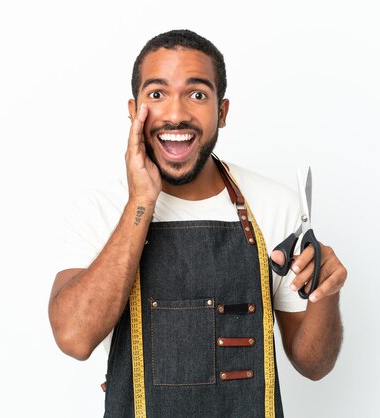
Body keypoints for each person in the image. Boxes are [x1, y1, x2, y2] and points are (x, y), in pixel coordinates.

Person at [48, 29, 347, 417]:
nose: (176, 113)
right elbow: (74, 338)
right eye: (157, 94)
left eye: (197, 94)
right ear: (132, 109)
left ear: (221, 112)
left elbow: (314, 364)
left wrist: (326, 293)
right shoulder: (101, 209)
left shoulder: (274, 205)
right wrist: (141, 201)